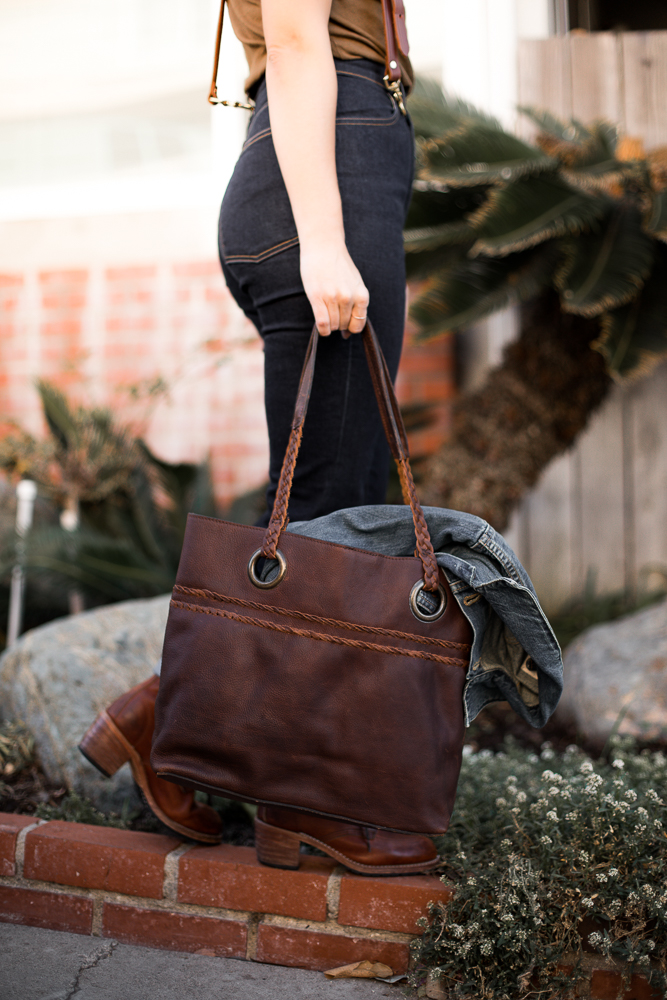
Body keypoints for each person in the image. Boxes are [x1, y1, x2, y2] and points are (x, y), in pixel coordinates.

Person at [79, 0, 438, 872]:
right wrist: (323, 240)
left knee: (331, 508)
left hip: (333, 159)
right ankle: (303, 804)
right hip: (324, 177)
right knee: (330, 519)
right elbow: (293, 36)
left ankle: (170, 723)